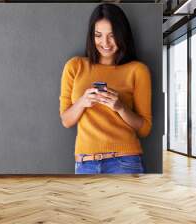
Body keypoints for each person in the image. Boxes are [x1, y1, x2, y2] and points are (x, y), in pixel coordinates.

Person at [59, 3, 152, 174]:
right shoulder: (75, 66)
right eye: (98, 35)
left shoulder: (137, 70)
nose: (105, 43)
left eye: (112, 35)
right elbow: (66, 121)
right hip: (85, 163)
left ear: (122, 35)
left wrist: (120, 107)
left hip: (126, 161)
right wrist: (82, 102)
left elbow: (145, 128)